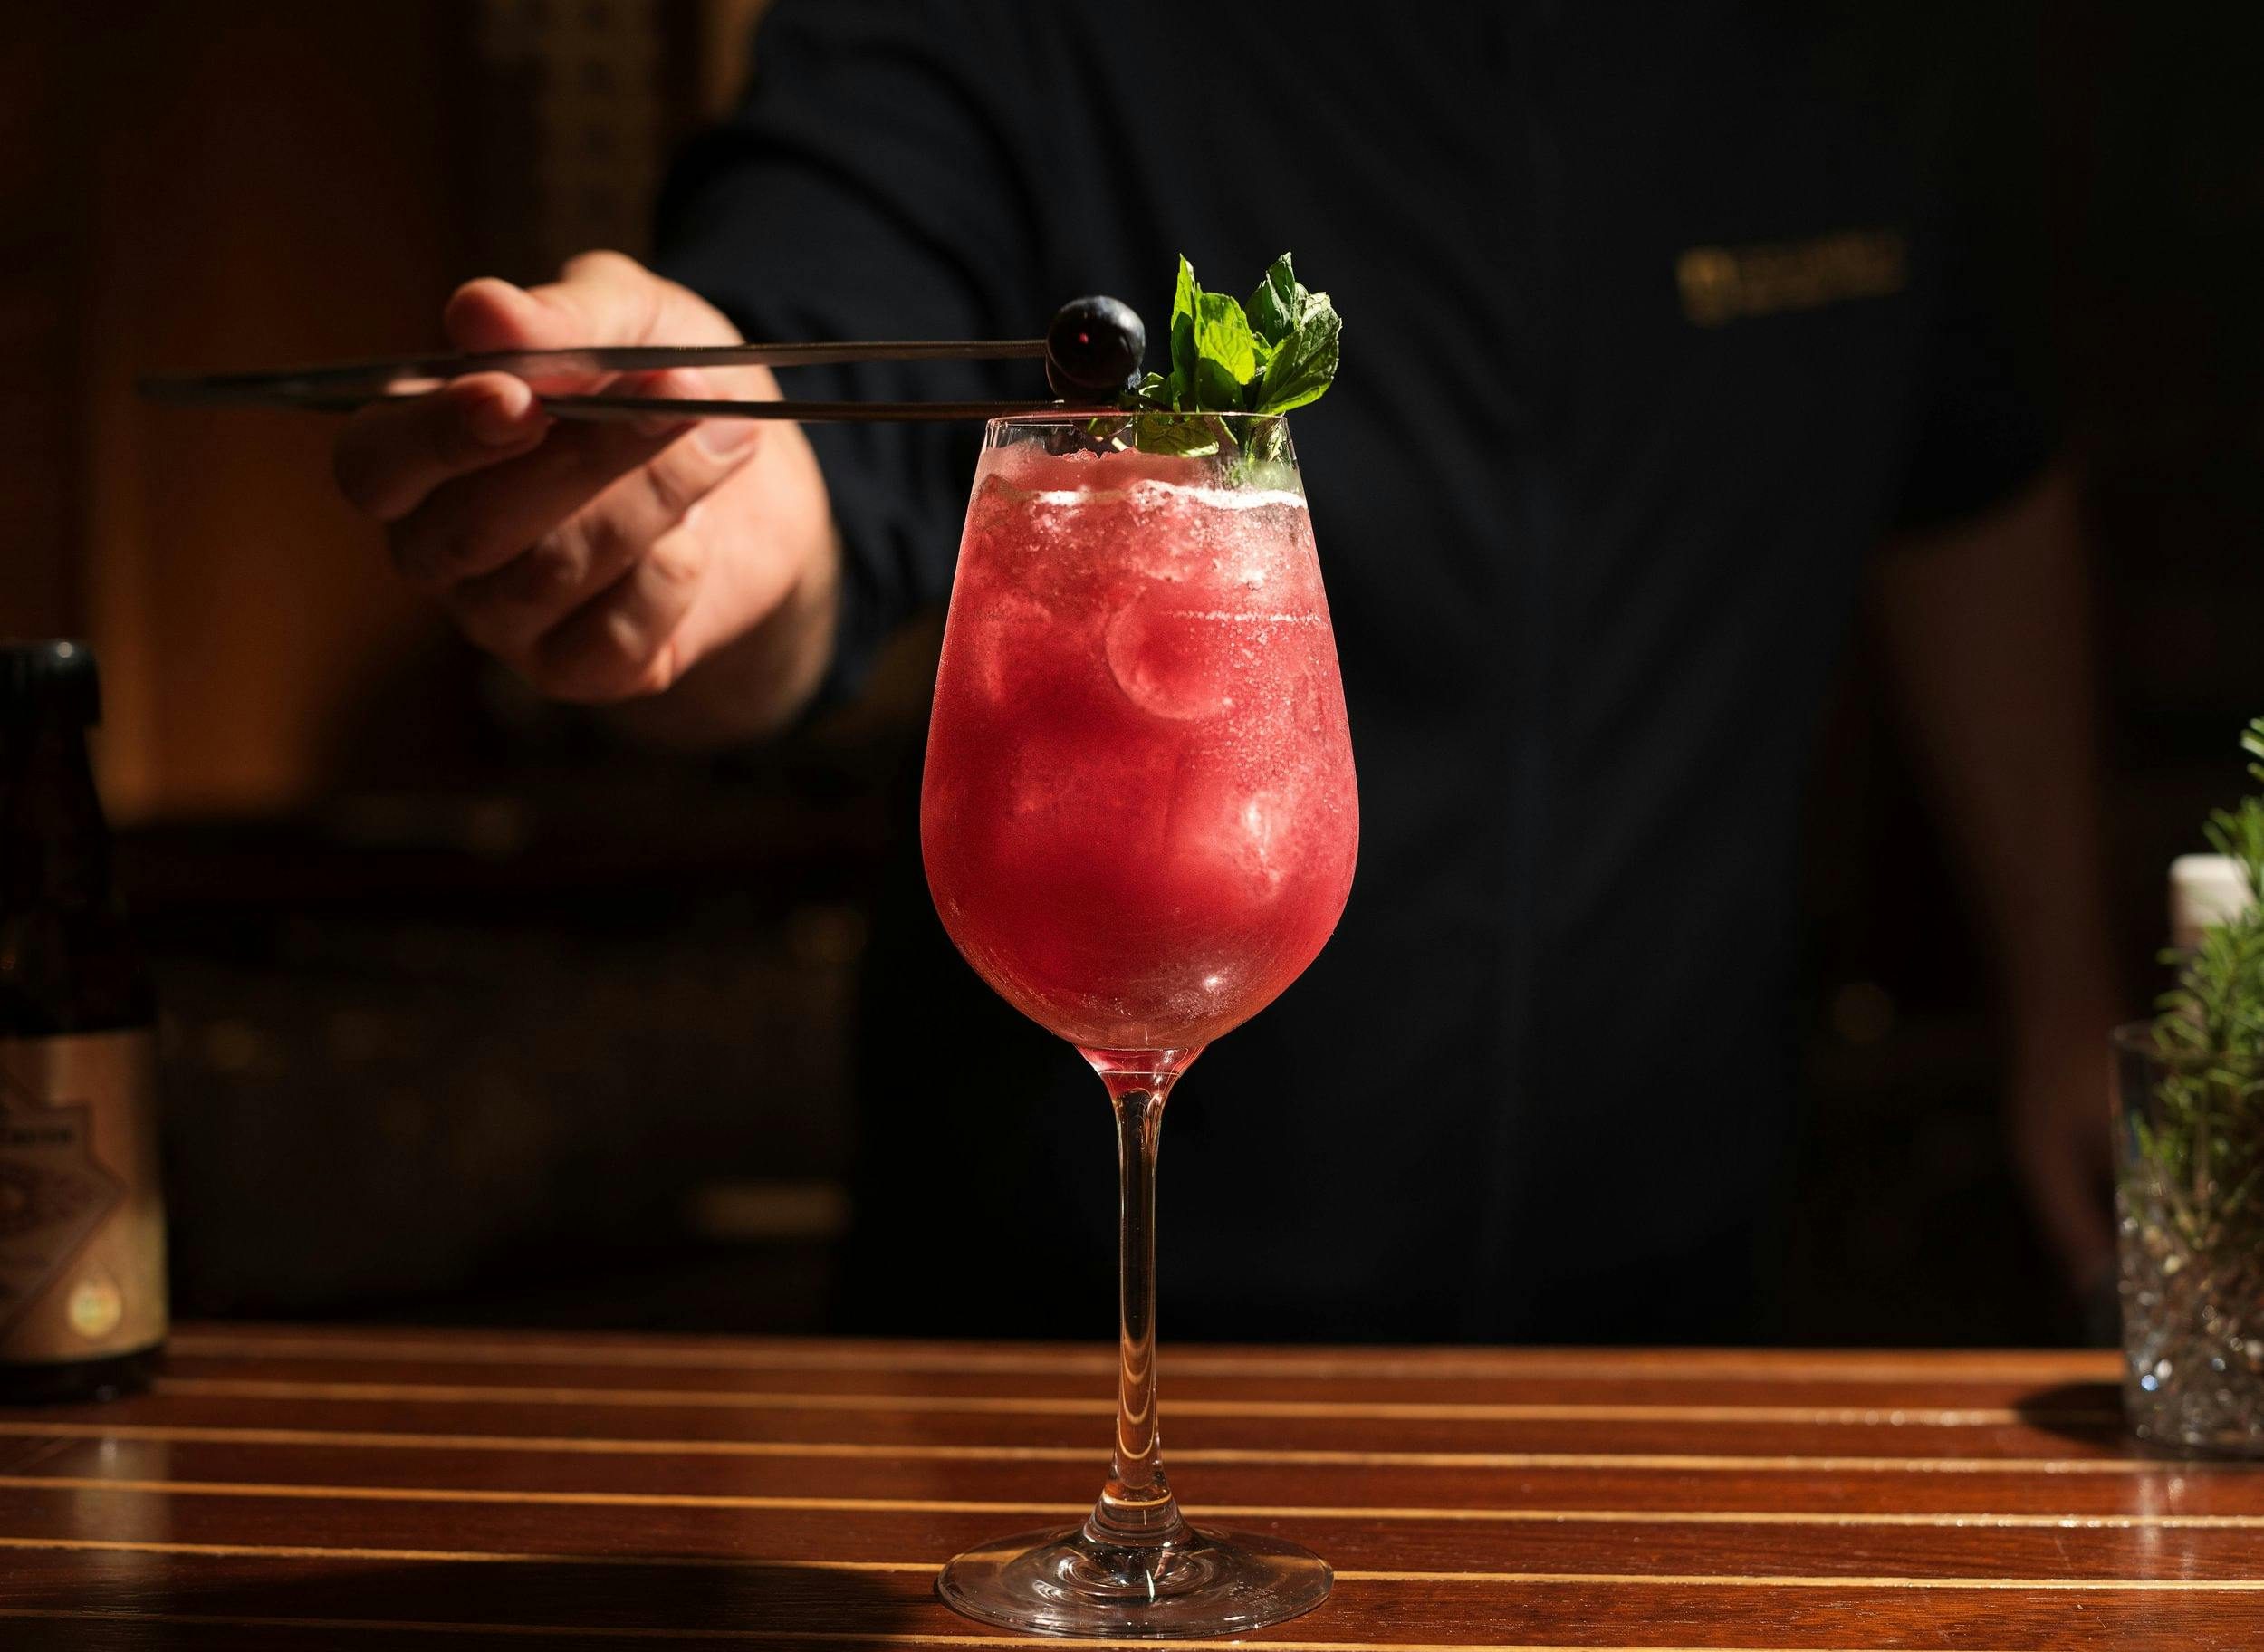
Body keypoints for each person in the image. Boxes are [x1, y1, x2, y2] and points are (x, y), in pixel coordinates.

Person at [332, 2, 2114, 1341]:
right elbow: (804, 406)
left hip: (1671, 1292)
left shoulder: (1877, 40)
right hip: (1037, 1327)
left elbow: (1972, 481)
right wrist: (678, 522)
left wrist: (2068, 1003)